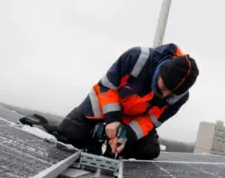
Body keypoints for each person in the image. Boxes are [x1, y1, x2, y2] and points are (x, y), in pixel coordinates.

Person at [42, 43, 198, 160]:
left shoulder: (180, 98)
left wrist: (126, 136)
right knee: (69, 135)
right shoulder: (137, 57)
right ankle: (94, 134)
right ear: (160, 73)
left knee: (149, 151)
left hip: (132, 119)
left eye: (172, 93)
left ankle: (114, 146)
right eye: (164, 87)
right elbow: (107, 87)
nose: (165, 95)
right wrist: (112, 120)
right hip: (102, 106)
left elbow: (150, 120)